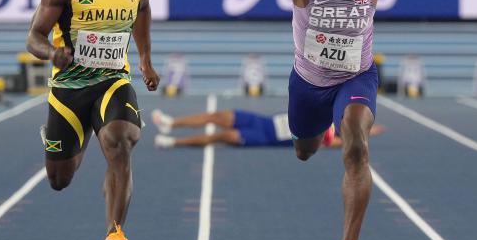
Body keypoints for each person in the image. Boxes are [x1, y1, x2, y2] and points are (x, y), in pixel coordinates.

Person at [167, 0, 421, 240]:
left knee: (356, 146)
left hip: (356, 78)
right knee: (304, 150)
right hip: (307, 84)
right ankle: (318, 133)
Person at [26, 0, 160, 240]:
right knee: (59, 179)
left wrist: (144, 60)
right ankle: (78, 133)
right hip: (70, 88)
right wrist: (52, 53)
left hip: (113, 80)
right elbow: (34, 36)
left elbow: (141, 13)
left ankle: (114, 235)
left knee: (121, 141)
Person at [150, 107, 385, 148]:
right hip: (262, 121)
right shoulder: (327, 113)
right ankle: (171, 123)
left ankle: (172, 142)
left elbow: (341, 143)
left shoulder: (325, 137)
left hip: (263, 136)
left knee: (221, 136)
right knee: (216, 116)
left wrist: (366, 133)